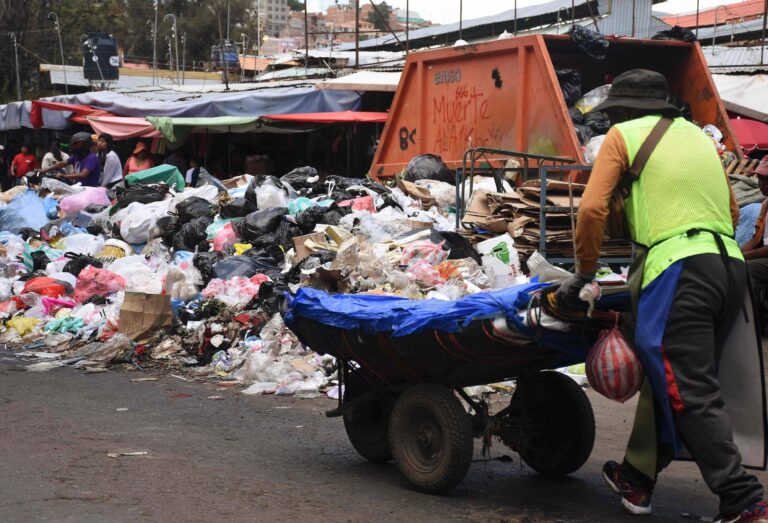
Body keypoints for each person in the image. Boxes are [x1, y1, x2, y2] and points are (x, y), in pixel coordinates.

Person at [557, 69, 766, 522]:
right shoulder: (698, 137)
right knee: (666, 371)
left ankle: (743, 497)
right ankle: (638, 477)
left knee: (687, 385)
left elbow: (591, 208)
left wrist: (585, 272)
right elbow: (730, 210)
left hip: (680, 269)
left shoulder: (621, 135)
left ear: (625, 110)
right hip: (729, 266)